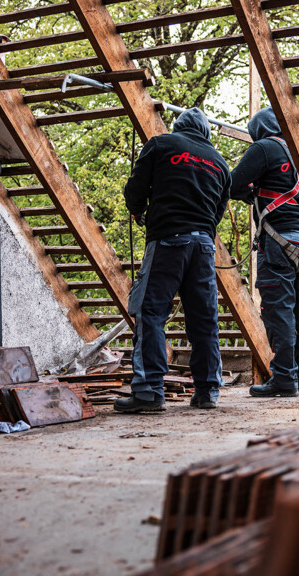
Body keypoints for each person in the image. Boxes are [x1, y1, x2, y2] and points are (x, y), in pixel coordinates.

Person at [116, 107, 230, 413]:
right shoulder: (219, 163)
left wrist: (139, 209)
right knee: (204, 320)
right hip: (203, 247)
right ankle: (207, 392)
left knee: (151, 312)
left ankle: (149, 392)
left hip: (168, 240)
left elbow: (137, 188)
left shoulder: (161, 144)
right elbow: (217, 211)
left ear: (179, 127)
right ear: (205, 132)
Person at [229, 107, 299, 397]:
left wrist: (251, 192)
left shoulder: (264, 148)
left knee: (279, 312)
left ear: (258, 129)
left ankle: (284, 379)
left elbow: (232, 184)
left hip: (278, 242)